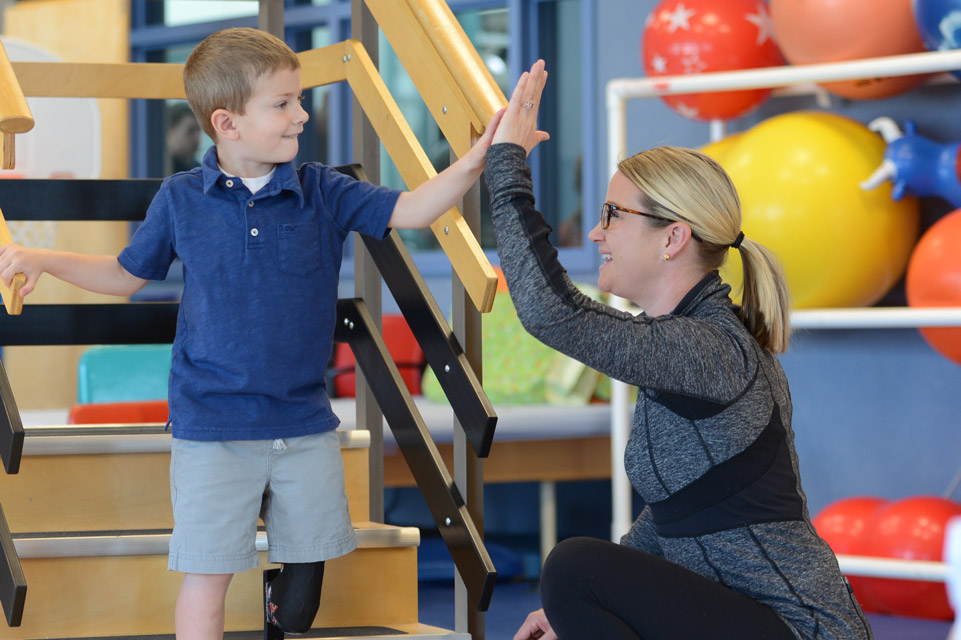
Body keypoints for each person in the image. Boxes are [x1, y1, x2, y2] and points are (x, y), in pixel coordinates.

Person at [0, 27, 504, 640]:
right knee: (209, 575)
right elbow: (125, 275)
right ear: (227, 123)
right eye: (283, 103)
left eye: (298, 99)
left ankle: (282, 606)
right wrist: (44, 259)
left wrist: (480, 158)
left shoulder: (323, 189)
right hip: (212, 426)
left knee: (303, 590)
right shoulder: (181, 198)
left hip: (302, 420)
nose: (301, 114)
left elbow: (412, 210)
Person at [488, 61, 873, 640]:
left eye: (612, 215)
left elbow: (554, 313)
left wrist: (506, 167)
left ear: (673, 238)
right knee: (578, 577)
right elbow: (679, 511)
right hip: (750, 621)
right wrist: (581, 607)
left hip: (802, 630)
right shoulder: (679, 341)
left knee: (572, 564)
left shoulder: (712, 348)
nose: (597, 233)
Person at [165, 102, 202, 175]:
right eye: (190, 131)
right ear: (171, 132)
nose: (196, 138)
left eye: (198, 130)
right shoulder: (162, 168)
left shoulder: (200, 170)